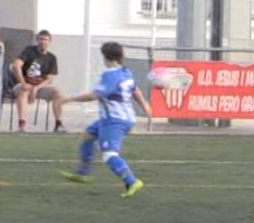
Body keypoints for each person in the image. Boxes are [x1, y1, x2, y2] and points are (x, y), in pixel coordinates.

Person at [59, 42, 150, 198]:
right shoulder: (125, 71)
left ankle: (131, 180)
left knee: (109, 154)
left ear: (105, 57)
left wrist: (69, 98)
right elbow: (136, 90)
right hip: (118, 118)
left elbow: (94, 95)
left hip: (115, 120)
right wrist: (145, 106)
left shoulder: (110, 75)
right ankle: (83, 173)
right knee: (87, 136)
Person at [12, 30, 65, 133]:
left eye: (46, 39)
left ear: (49, 41)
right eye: (41, 39)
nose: (43, 42)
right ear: (37, 40)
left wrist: (36, 88)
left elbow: (49, 79)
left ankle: (58, 124)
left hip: (40, 87)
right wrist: (23, 82)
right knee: (23, 89)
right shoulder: (29, 50)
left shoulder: (52, 58)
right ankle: (21, 125)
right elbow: (16, 65)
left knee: (57, 92)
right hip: (24, 84)